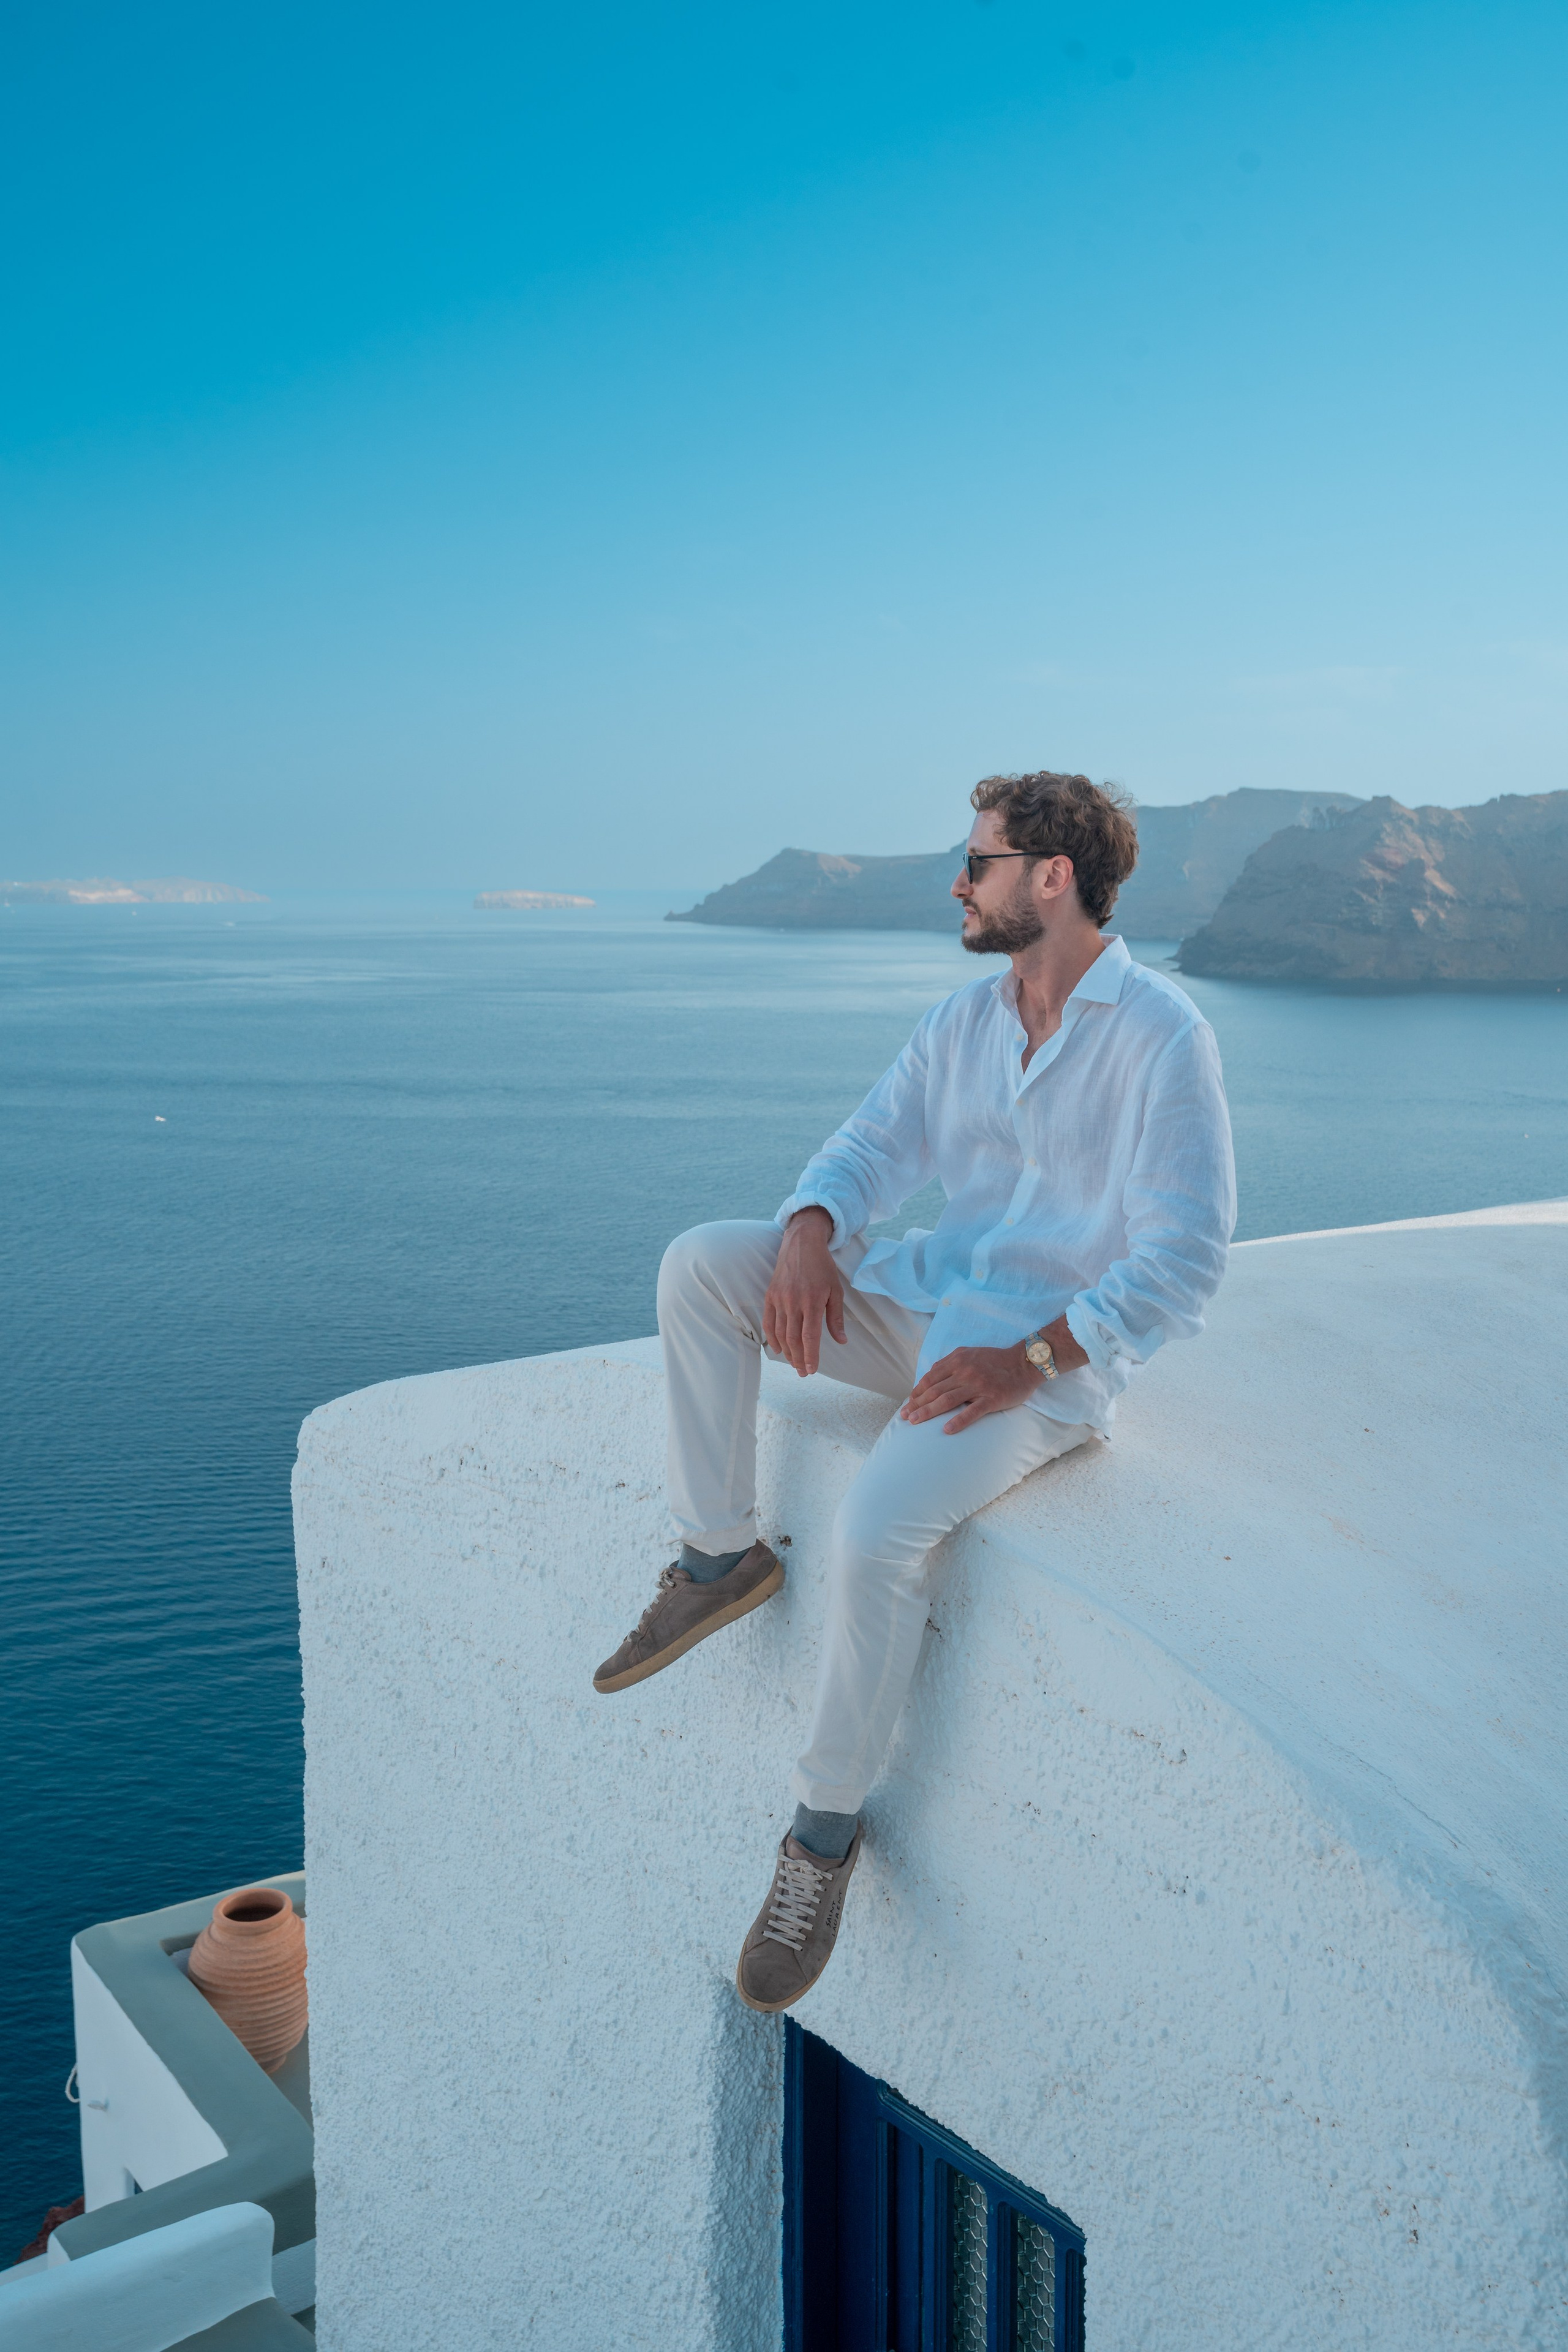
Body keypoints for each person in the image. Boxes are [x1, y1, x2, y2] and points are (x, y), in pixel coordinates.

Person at [593, 770, 1237, 2013]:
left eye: (978, 860)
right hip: (930, 1307)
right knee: (700, 1266)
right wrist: (809, 1227)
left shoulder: (1160, 1035)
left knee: (877, 1527)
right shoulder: (963, 1023)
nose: (958, 880)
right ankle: (719, 1553)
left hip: (1039, 1366)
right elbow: (871, 1144)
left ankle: (819, 1839)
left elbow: (1183, 1257)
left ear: (1052, 877)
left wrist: (1031, 1359)